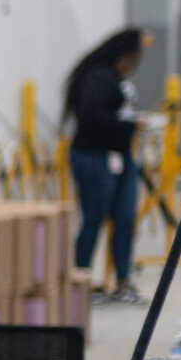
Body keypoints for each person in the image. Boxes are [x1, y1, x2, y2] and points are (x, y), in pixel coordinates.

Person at [66, 28, 147, 303]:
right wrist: (130, 125)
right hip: (93, 157)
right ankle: (80, 281)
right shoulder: (98, 78)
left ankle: (123, 282)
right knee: (94, 219)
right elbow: (92, 117)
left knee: (124, 219)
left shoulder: (116, 80)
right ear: (123, 55)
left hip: (120, 158)